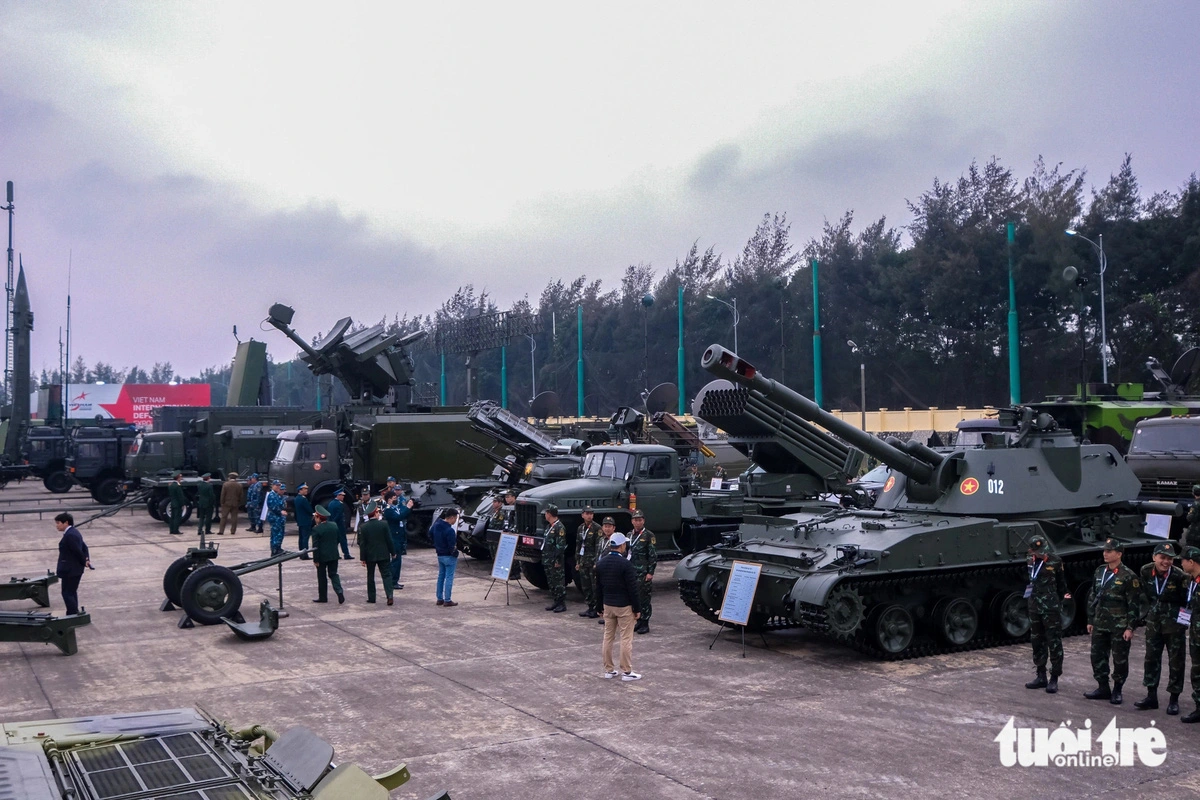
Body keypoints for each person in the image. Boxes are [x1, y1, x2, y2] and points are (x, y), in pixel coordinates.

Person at [1085, 538, 1142, 704]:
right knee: (1097, 656)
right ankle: (1103, 686)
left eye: (1109, 551)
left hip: (1119, 625)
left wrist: (1130, 627)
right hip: (1100, 622)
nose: (1105, 554)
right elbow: (1093, 596)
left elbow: (1133, 605)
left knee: (1120, 658)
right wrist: (1091, 619)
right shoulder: (1100, 571)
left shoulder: (1129, 576)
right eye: (1104, 551)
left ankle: (1118, 689)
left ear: (1119, 554)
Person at [1137, 541, 1187, 714]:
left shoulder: (1179, 576)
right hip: (1153, 622)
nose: (1166, 562)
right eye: (1162, 558)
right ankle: (1151, 696)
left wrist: (1183, 623)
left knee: (1176, 661)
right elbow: (1146, 593)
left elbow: (1186, 602)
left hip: (1174, 624)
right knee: (1151, 658)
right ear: (1154, 557)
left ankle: (1174, 699)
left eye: (1170, 559)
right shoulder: (1145, 571)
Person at [1023, 535, 1070, 693]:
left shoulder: (1055, 561)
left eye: (1043, 550)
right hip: (1034, 606)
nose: (1042, 553)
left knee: (1054, 641)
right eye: (1037, 551)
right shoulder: (1029, 560)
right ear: (1031, 551)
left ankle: (1054, 677)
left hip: (1050, 607)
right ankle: (1041, 674)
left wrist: (1058, 603)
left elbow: (1062, 585)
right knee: (1037, 640)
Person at [595, 532, 642, 681]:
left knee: (608, 637)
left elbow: (598, 587)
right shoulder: (626, 564)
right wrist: (637, 608)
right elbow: (632, 589)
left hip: (608, 604)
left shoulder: (601, 563)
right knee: (626, 638)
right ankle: (627, 671)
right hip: (624, 606)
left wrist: (598, 606)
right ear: (622, 545)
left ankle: (609, 670)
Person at [357, 501, 396, 605]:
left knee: (370, 576)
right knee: (386, 575)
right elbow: (389, 540)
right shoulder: (384, 524)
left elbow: (362, 544)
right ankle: (389, 595)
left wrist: (362, 558)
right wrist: (393, 552)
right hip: (383, 554)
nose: (379, 513)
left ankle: (372, 597)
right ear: (375, 513)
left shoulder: (363, 527)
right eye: (378, 512)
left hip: (370, 555)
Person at [1179, 547, 1200, 723]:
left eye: (1183, 561)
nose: (1181, 564)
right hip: (1195, 634)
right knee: (1197, 670)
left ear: (1191, 562)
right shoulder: (1191, 580)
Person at [54, 512, 89, 615]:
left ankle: (72, 614)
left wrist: (84, 561)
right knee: (72, 592)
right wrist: (86, 559)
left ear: (66, 523)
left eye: (58, 523)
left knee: (67, 593)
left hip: (71, 569)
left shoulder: (70, 535)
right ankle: (73, 612)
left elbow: (77, 551)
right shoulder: (74, 532)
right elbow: (84, 547)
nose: (57, 525)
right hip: (75, 569)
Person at [628, 510, 657, 634]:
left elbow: (652, 556)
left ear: (643, 521)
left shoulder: (648, 535)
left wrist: (650, 572)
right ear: (632, 521)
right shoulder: (629, 534)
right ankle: (638, 621)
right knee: (634, 598)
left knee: (644, 598)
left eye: (640, 520)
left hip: (643, 572)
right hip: (631, 571)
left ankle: (645, 622)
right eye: (635, 520)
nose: (637, 522)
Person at [310, 505, 345, 604]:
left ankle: (323, 597)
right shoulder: (334, 525)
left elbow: (315, 546)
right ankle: (339, 591)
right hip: (334, 554)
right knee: (333, 574)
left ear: (318, 518)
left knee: (322, 577)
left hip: (321, 557)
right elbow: (339, 539)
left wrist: (315, 559)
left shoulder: (316, 529)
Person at [576, 506, 603, 618]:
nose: (589, 515)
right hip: (583, 561)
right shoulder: (580, 528)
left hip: (592, 562)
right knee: (585, 586)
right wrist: (577, 561)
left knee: (594, 586)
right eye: (587, 513)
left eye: (591, 513)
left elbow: (599, 547)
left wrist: (597, 562)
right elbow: (578, 545)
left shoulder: (597, 528)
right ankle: (590, 607)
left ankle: (597, 609)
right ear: (582, 515)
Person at [383, 492, 412, 590]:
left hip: (399, 537)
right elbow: (398, 517)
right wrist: (407, 508)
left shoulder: (396, 508)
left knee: (398, 560)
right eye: (394, 498)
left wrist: (408, 507)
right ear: (389, 499)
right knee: (395, 560)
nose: (396, 499)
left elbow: (402, 511)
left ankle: (395, 580)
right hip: (394, 538)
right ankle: (392, 581)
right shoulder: (388, 510)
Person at [431, 507, 460, 607]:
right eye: (455, 518)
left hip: (440, 554)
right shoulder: (450, 530)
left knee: (441, 576)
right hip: (448, 556)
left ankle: (440, 598)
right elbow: (451, 546)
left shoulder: (436, 525)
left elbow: (429, 534)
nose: (455, 521)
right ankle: (447, 599)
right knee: (449, 577)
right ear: (451, 517)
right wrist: (456, 553)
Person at [542, 505, 567, 613]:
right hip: (548, 559)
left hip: (555, 560)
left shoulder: (559, 527)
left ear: (550, 514)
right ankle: (556, 601)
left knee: (558, 582)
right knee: (551, 581)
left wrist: (557, 560)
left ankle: (561, 603)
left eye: (546, 513)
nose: (545, 515)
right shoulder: (549, 526)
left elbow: (560, 546)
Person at [327, 487, 352, 560]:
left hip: (333, 525)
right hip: (340, 525)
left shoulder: (331, 503)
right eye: (342, 495)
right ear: (338, 495)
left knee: (335, 541)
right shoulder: (339, 504)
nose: (343, 497)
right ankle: (346, 554)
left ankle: (335, 554)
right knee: (343, 540)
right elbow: (339, 515)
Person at [218, 471, 244, 535]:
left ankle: (221, 531)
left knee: (224, 517)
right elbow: (241, 495)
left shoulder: (225, 484)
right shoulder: (239, 485)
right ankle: (233, 531)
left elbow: (223, 494)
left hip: (226, 503)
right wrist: (239, 502)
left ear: (229, 477)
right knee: (234, 517)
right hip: (235, 503)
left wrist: (222, 502)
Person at [266, 480, 288, 556]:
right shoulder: (272, 495)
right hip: (275, 517)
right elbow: (273, 507)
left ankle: (278, 548)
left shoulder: (277, 495)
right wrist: (280, 512)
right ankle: (275, 550)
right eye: (276, 485)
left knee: (279, 534)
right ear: (273, 486)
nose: (278, 487)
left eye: (279, 485)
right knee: (276, 534)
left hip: (278, 517)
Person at [294, 483, 314, 559]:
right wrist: (313, 514)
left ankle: (301, 554)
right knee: (305, 538)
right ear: (300, 490)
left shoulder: (297, 499)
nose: (306, 490)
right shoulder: (303, 499)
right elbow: (309, 509)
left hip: (300, 521)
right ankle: (305, 554)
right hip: (306, 521)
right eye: (305, 489)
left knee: (301, 538)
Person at [195, 473, 215, 537]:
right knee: (208, 517)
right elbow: (211, 495)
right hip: (208, 503)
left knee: (201, 517)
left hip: (201, 503)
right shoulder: (209, 486)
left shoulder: (199, 485)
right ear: (208, 478)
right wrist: (213, 503)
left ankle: (199, 530)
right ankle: (207, 530)